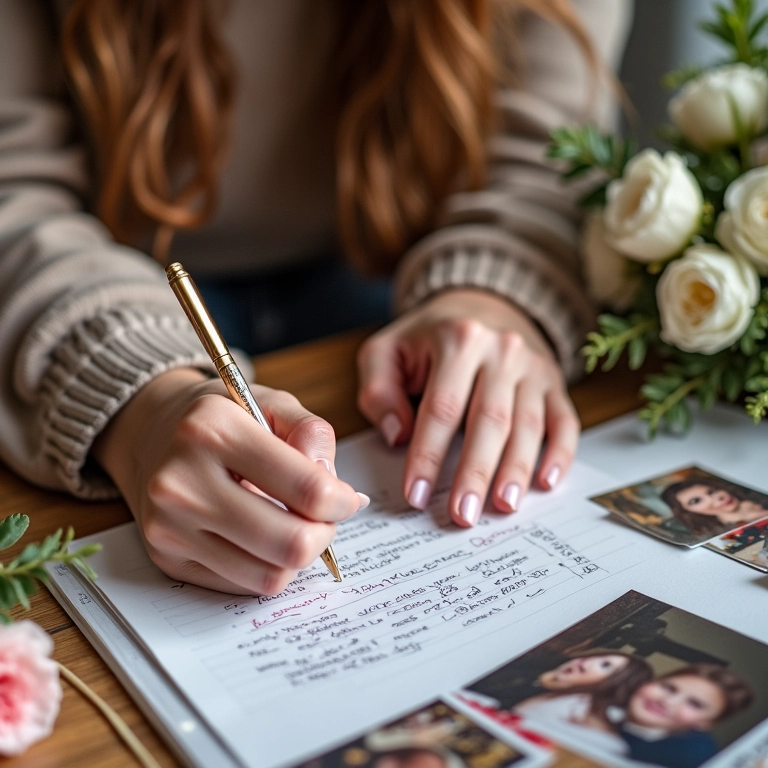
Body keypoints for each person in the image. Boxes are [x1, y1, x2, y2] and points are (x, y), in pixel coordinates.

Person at [0, 0, 631, 595]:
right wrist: (139, 404)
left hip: (402, 268)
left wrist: (496, 295)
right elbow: (12, 187)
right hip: (93, 275)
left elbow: (551, 156)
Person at [617, 663, 754, 768]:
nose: (668, 701)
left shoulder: (691, 757)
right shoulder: (606, 703)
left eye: (695, 704)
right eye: (668, 688)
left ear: (707, 723)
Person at [661, 477, 768, 538]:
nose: (718, 498)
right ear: (687, 512)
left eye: (713, 491)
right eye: (696, 501)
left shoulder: (760, 497)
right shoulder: (724, 536)